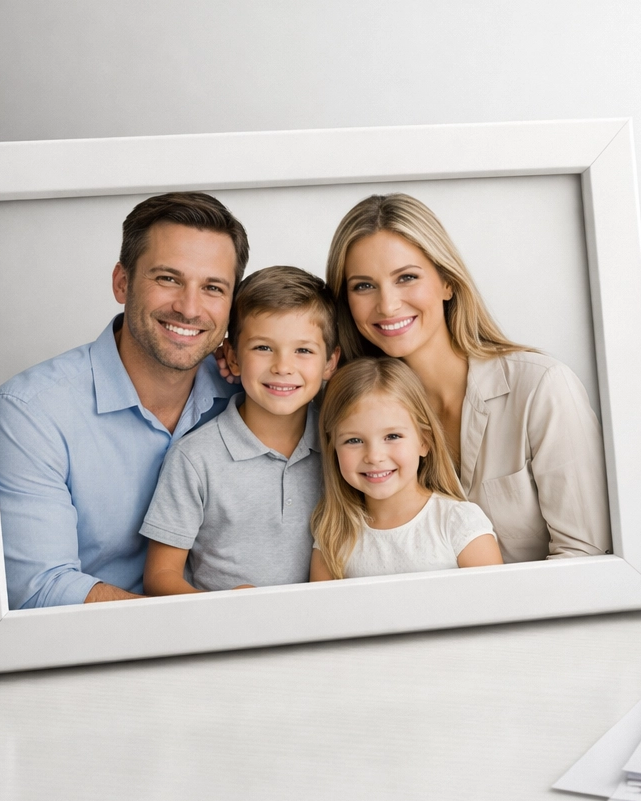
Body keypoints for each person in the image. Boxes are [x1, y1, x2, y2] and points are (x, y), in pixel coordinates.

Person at [0, 192, 247, 609]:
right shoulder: (28, 414)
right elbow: (41, 589)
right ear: (122, 283)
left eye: (213, 288)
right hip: (97, 654)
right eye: (168, 278)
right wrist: (206, 627)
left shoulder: (248, 392)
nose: (189, 307)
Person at [324, 193, 611, 563]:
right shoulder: (349, 411)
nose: (388, 304)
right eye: (363, 285)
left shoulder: (541, 387)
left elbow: (584, 556)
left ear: (447, 282)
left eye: (407, 277)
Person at [140, 266, 340, 593]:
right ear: (232, 358)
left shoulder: (341, 445)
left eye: (303, 350)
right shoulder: (195, 459)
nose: (283, 367)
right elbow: (160, 575)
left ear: (330, 363)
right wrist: (225, 613)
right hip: (227, 636)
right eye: (263, 347)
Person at [310, 357, 502, 580]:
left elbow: (495, 606)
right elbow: (323, 614)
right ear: (333, 448)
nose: (374, 456)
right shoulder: (332, 537)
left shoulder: (459, 523)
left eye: (392, 436)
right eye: (353, 440)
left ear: (424, 442)